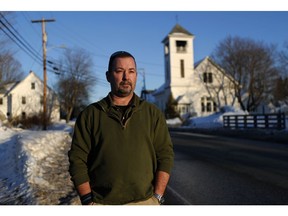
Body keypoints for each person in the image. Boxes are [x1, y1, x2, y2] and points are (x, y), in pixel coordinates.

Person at [68, 51, 174, 205]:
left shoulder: (152, 114)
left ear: (136, 75)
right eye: (119, 71)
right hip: (102, 203)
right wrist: (87, 199)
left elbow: (165, 155)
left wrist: (157, 197)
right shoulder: (90, 115)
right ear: (108, 76)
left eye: (131, 71)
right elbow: (77, 159)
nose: (126, 77)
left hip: (145, 203)